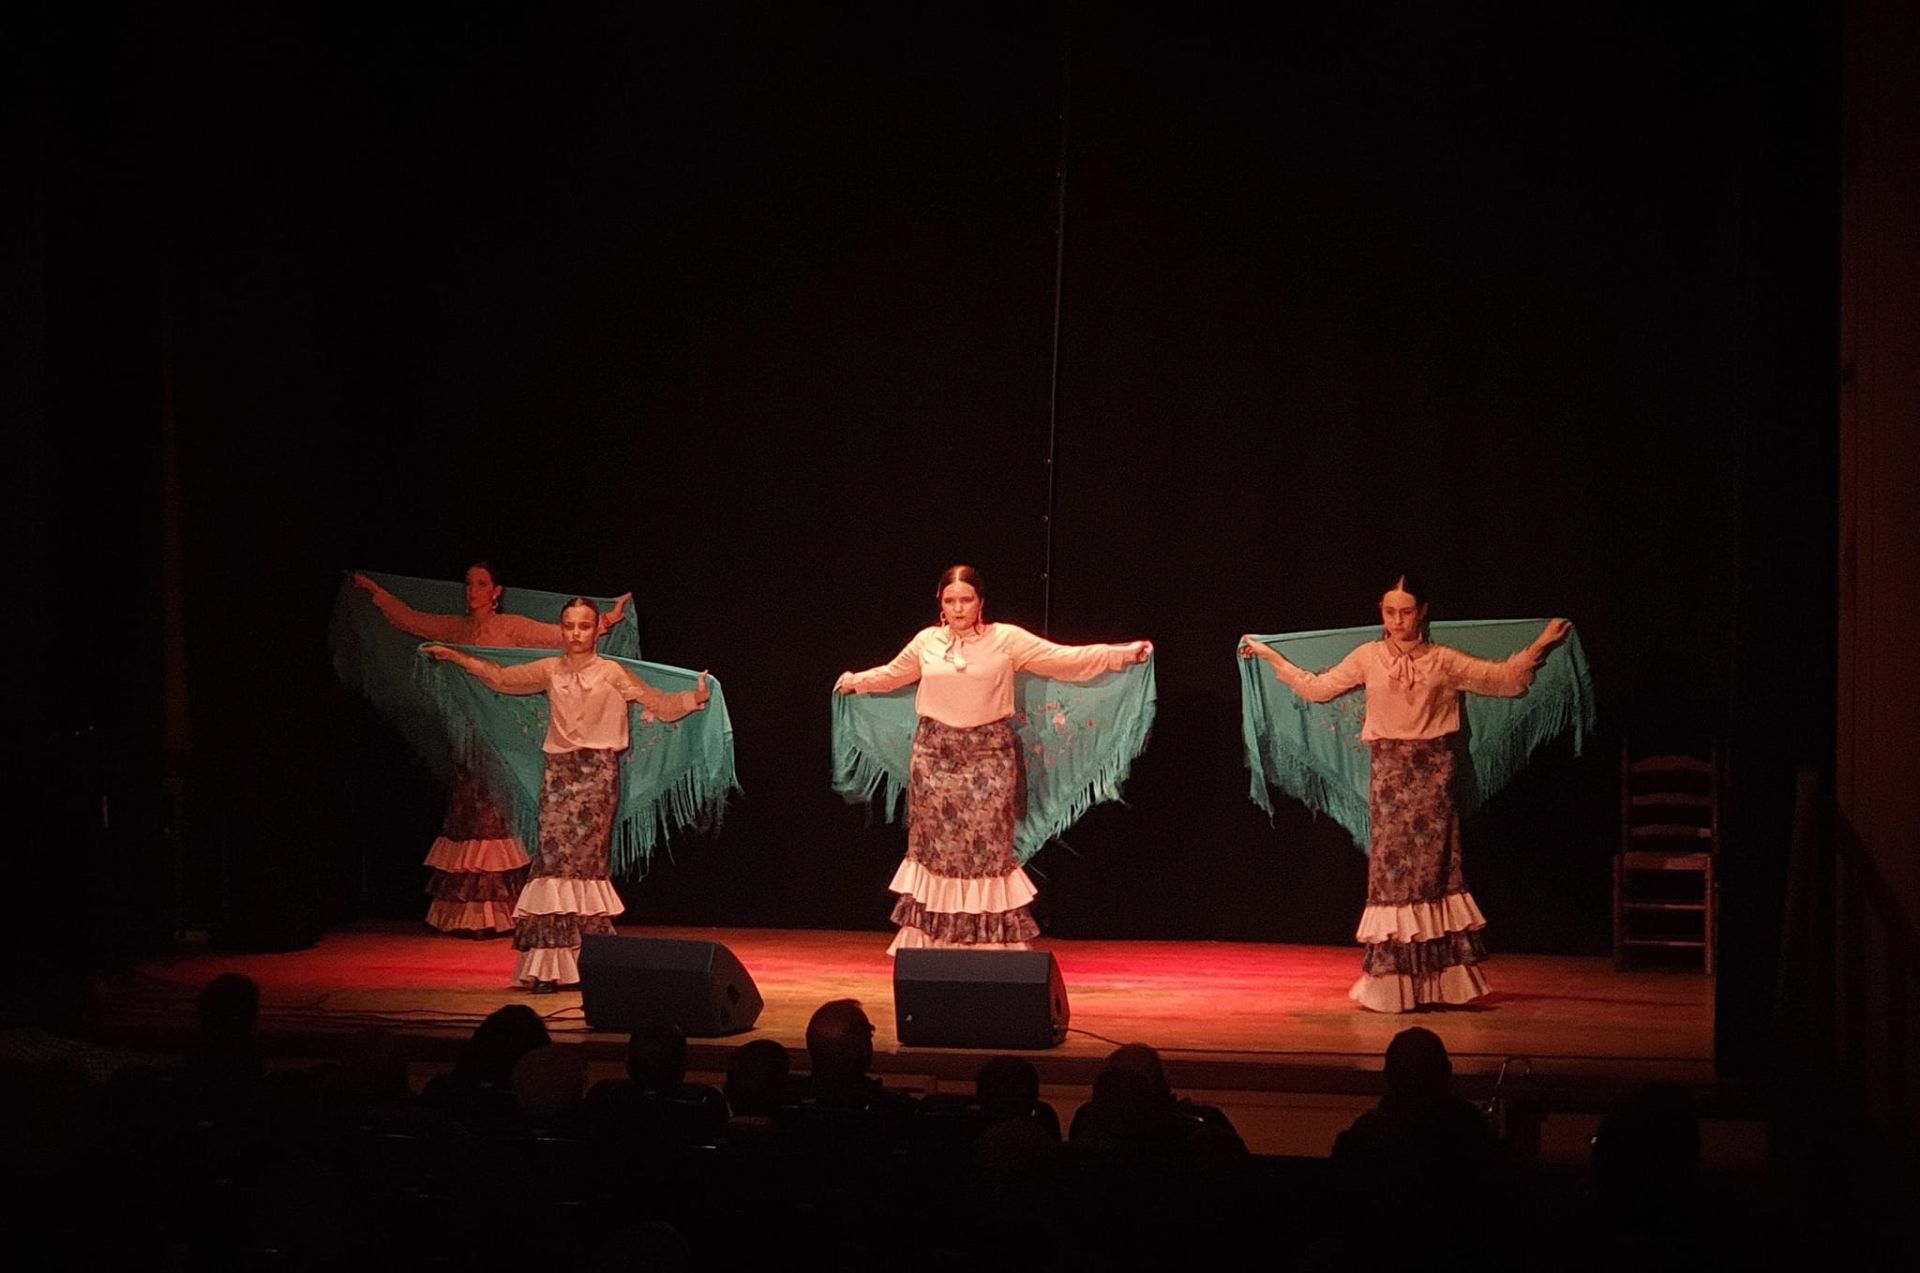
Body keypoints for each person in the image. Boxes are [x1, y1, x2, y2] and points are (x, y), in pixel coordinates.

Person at [1242, 576, 1569, 1012]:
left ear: (1422, 612)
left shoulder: (1442, 660)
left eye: (1406, 611)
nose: (1397, 621)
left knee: (1435, 873)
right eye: (1389, 612)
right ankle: (1392, 985)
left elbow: (1504, 680)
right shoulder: (1369, 656)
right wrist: (1270, 656)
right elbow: (1319, 689)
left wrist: (1543, 642)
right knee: (1392, 875)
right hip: (1390, 779)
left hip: (1433, 777)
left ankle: (1442, 984)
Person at [836, 565, 1150, 952]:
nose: (958, 608)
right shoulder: (927, 642)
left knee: (987, 849)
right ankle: (933, 943)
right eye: (950, 600)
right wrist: (855, 681)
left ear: (981, 602)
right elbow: (892, 675)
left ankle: (989, 946)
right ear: (940, 604)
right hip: (934, 762)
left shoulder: (1006, 639)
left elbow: (1064, 659)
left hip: (989, 760)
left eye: (966, 600)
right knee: (937, 851)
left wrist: (1121, 655)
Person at [425, 596, 708, 991]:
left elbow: (658, 704)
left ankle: (584, 963)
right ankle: (548, 967)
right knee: (552, 864)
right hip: (558, 777)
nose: (576, 633)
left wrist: (694, 698)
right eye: (570, 626)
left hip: (597, 779)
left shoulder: (611, 672)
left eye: (584, 626)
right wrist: (457, 657)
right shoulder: (550, 669)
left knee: (585, 867)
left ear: (595, 632)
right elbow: (502, 679)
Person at [353, 564, 630, 935]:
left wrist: (605, 620)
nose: (473, 590)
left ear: (496, 591)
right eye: (469, 583)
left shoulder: (510, 627)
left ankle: (502, 912)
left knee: (495, 812)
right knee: (467, 810)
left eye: (481, 583)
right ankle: (467, 914)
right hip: (466, 732)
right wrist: (376, 591)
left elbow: (557, 636)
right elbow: (413, 621)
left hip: (500, 732)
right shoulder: (457, 628)